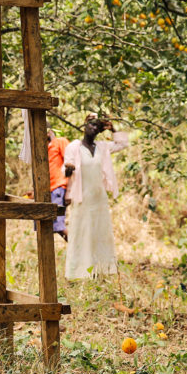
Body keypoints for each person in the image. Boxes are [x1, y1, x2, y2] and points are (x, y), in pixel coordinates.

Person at [62, 114, 129, 279]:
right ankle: (77, 272)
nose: (93, 128)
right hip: (81, 197)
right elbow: (65, 169)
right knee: (80, 233)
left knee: (100, 233)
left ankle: (102, 269)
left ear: (99, 131)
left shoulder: (102, 147)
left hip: (98, 198)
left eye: (96, 127)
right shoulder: (74, 147)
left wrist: (113, 128)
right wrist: (69, 169)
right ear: (84, 126)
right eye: (91, 125)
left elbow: (123, 143)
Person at [47, 129, 70, 241]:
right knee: (49, 225)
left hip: (59, 187)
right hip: (48, 190)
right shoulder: (44, 149)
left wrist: (69, 190)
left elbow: (70, 163)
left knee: (58, 225)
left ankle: (80, 249)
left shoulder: (60, 142)